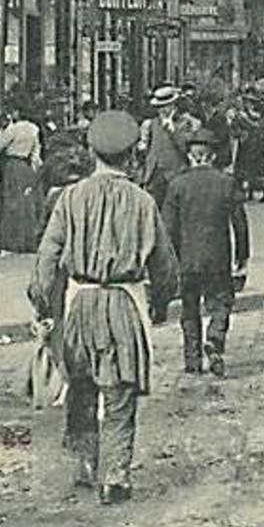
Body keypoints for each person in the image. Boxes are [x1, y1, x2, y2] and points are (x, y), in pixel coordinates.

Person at [28, 111, 180, 504]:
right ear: (131, 156)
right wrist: (161, 302)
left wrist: (43, 306)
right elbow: (164, 266)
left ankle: (85, 463)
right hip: (123, 305)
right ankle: (116, 475)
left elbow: (46, 260)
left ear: (91, 153)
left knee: (81, 386)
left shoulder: (70, 199)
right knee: (119, 393)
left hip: (80, 303)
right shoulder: (143, 202)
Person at [161, 128, 250, 377]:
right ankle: (215, 336)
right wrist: (242, 258)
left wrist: (170, 262)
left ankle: (192, 360)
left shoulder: (177, 185)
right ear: (211, 156)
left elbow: (167, 229)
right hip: (218, 257)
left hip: (187, 260)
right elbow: (240, 224)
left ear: (191, 155)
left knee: (189, 308)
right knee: (222, 300)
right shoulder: (226, 183)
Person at [0, 102, 42, 253]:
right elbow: (36, 152)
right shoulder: (34, 129)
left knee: (11, 203)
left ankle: (12, 241)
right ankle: (28, 240)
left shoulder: (14, 129)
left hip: (12, 164)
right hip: (26, 165)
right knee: (27, 204)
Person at [137, 85, 189, 211]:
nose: (162, 110)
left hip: (175, 175)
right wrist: (142, 147)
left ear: (174, 106)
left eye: (166, 106)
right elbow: (145, 151)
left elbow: (186, 150)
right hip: (155, 176)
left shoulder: (185, 123)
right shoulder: (151, 123)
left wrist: (173, 131)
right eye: (159, 107)